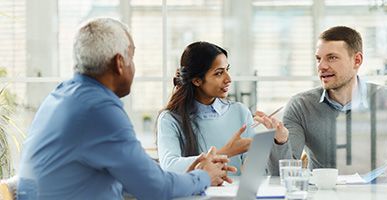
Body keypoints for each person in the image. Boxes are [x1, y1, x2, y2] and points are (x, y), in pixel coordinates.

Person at [16, 18, 235, 200]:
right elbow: (156, 189)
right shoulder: (98, 109)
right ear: (119, 63)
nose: (134, 66)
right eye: (132, 56)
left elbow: (134, 171)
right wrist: (203, 176)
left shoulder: (62, 96)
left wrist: (188, 172)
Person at [268, 26, 387, 182]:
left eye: (332, 58)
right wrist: (280, 142)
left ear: (357, 60)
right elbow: (280, 175)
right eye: (318, 59)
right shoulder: (301, 106)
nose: (321, 66)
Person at [156, 41, 287, 174]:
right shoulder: (170, 119)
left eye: (227, 70)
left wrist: (277, 141)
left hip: (235, 194)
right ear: (197, 80)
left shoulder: (240, 112)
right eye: (219, 73)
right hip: (194, 194)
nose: (228, 79)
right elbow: (170, 166)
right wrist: (226, 152)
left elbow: (256, 173)